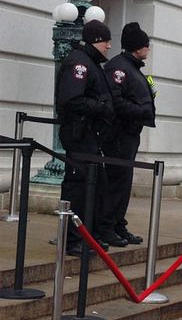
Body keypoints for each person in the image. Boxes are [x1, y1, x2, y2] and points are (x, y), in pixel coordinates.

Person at [56, 20, 116, 256]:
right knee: (77, 187)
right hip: (79, 134)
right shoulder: (79, 63)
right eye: (106, 41)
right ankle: (72, 239)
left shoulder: (90, 62)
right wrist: (101, 107)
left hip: (90, 134)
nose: (109, 46)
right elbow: (71, 99)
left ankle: (86, 235)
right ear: (95, 41)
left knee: (92, 186)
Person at [103, 22, 156, 245]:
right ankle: (107, 227)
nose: (149, 49)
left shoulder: (132, 67)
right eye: (147, 45)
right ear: (137, 48)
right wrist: (141, 110)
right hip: (118, 135)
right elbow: (115, 102)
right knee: (116, 182)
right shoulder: (119, 68)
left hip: (129, 134)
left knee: (124, 183)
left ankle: (117, 224)